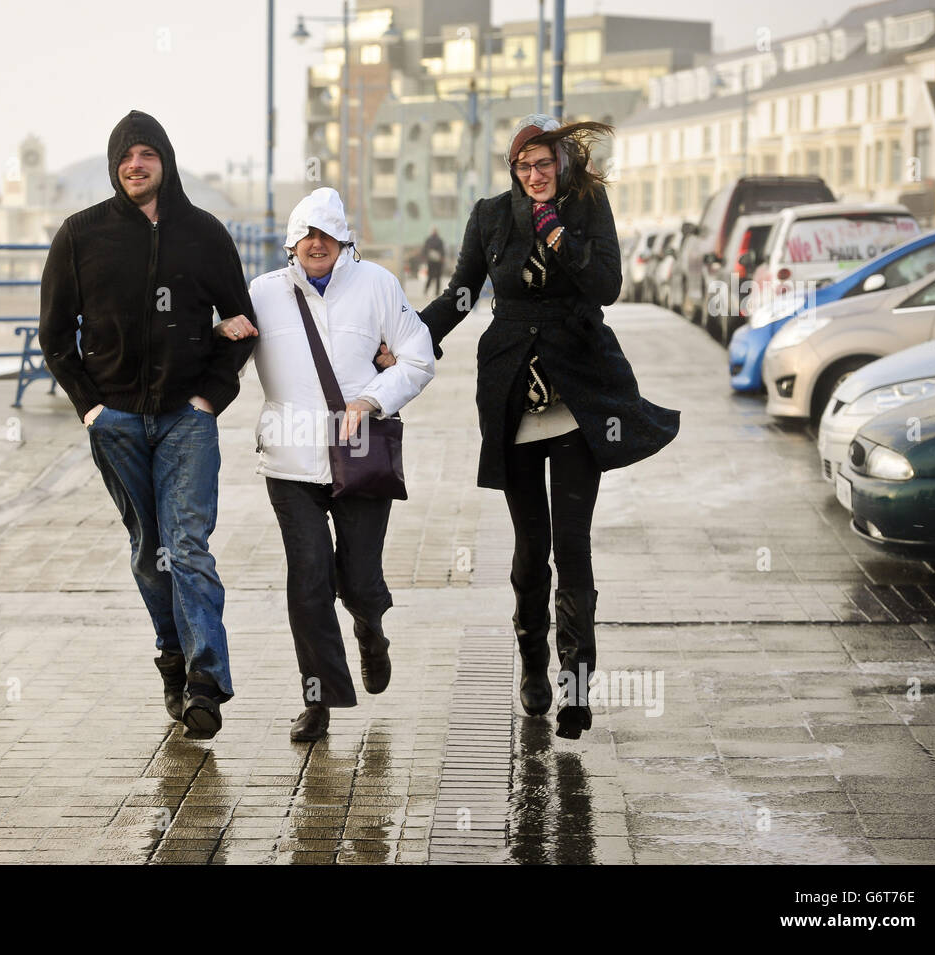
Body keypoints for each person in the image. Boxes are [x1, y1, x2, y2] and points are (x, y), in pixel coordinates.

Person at [403, 113, 680, 739]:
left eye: (544, 165)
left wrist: (561, 238)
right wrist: (409, 337)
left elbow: (608, 285)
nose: (534, 176)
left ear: (562, 165)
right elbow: (463, 294)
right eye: (524, 167)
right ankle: (532, 664)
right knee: (532, 549)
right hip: (512, 393)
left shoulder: (587, 207)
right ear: (513, 169)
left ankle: (577, 684)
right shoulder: (490, 216)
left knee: (573, 545)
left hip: (578, 391)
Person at [38, 110, 257, 740]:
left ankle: (207, 683)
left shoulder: (204, 233)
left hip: (187, 420)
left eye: (146, 154)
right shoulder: (81, 235)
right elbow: (55, 337)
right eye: (124, 157)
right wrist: (91, 408)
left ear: (165, 160)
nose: (135, 165)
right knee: (148, 550)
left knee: (188, 545)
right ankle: (172, 658)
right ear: (115, 168)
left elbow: (240, 322)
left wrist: (212, 397)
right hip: (118, 423)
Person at [215, 188, 435, 742]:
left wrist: (372, 399)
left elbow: (419, 355)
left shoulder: (378, 285)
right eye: (307, 235)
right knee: (309, 578)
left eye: (327, 236)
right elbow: (223, 356)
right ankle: (319, 699)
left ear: (343, 242)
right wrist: (219, 337)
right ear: (292, 242)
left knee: (358, 580)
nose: (316, 245)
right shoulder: (262, 293)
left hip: (359, 451)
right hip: (290, 462)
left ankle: (370, 628)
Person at [423, 226, 445, 297]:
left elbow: (425, 249)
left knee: (432, 276)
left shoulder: (430, 240)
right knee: (435, 277)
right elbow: (442, 251)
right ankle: (433, 291)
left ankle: (429, 291)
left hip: (433, 261)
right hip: (435, 261)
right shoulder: (439, 240)